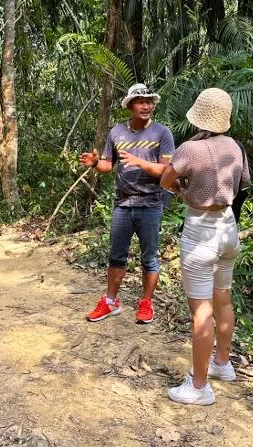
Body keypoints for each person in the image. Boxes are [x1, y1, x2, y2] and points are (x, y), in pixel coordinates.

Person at [159, 88, 250, 405]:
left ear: (198, 115)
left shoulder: (190, 149)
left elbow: (165, 180)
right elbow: (243, 183)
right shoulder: (235, 147)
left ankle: (199, 387)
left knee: (201, 312)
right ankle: (222, 364)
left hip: (200, 231)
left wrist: (184, 190)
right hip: (228, 229)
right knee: (222, 300)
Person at [79, 83, 175, 324]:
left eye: (149, 102)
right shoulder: (117, 132)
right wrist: (95, 163)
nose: (146, 106)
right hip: (123, 204)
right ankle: (111, 302)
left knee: (149, 257)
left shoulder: (162, 133)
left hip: (151, 203)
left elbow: (166, 171)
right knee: (116, 255)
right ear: (130, 105)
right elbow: (108, 165)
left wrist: (138, 161)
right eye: (141, 102)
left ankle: (146, 303)